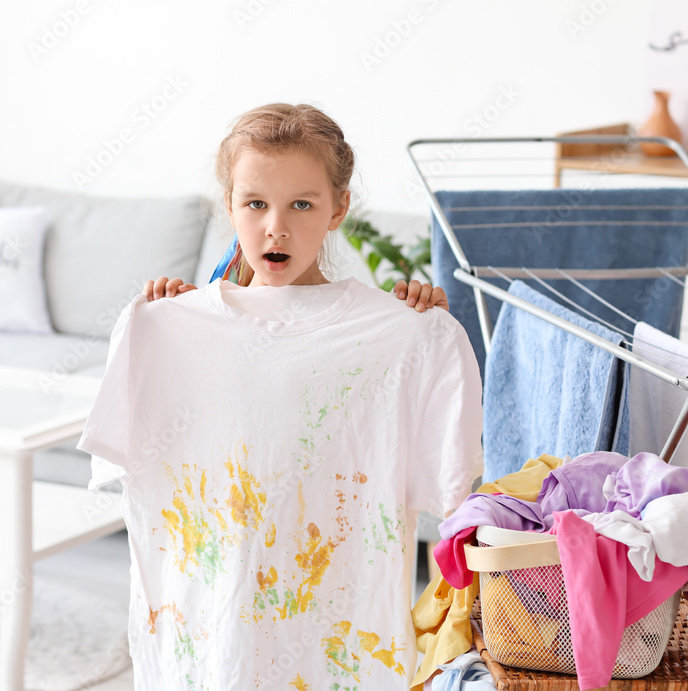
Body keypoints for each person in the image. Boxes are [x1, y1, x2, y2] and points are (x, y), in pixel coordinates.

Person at [76, 103, 482, 690]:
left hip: (334, 641)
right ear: (230, 206)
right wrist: (169, 321)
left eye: (302, 204)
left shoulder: (407, 334)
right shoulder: (163, 330)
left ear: (338, 208)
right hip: (211, 638)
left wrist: (420, 331)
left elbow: (450, 493)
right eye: (256, 204)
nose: (276, 227)